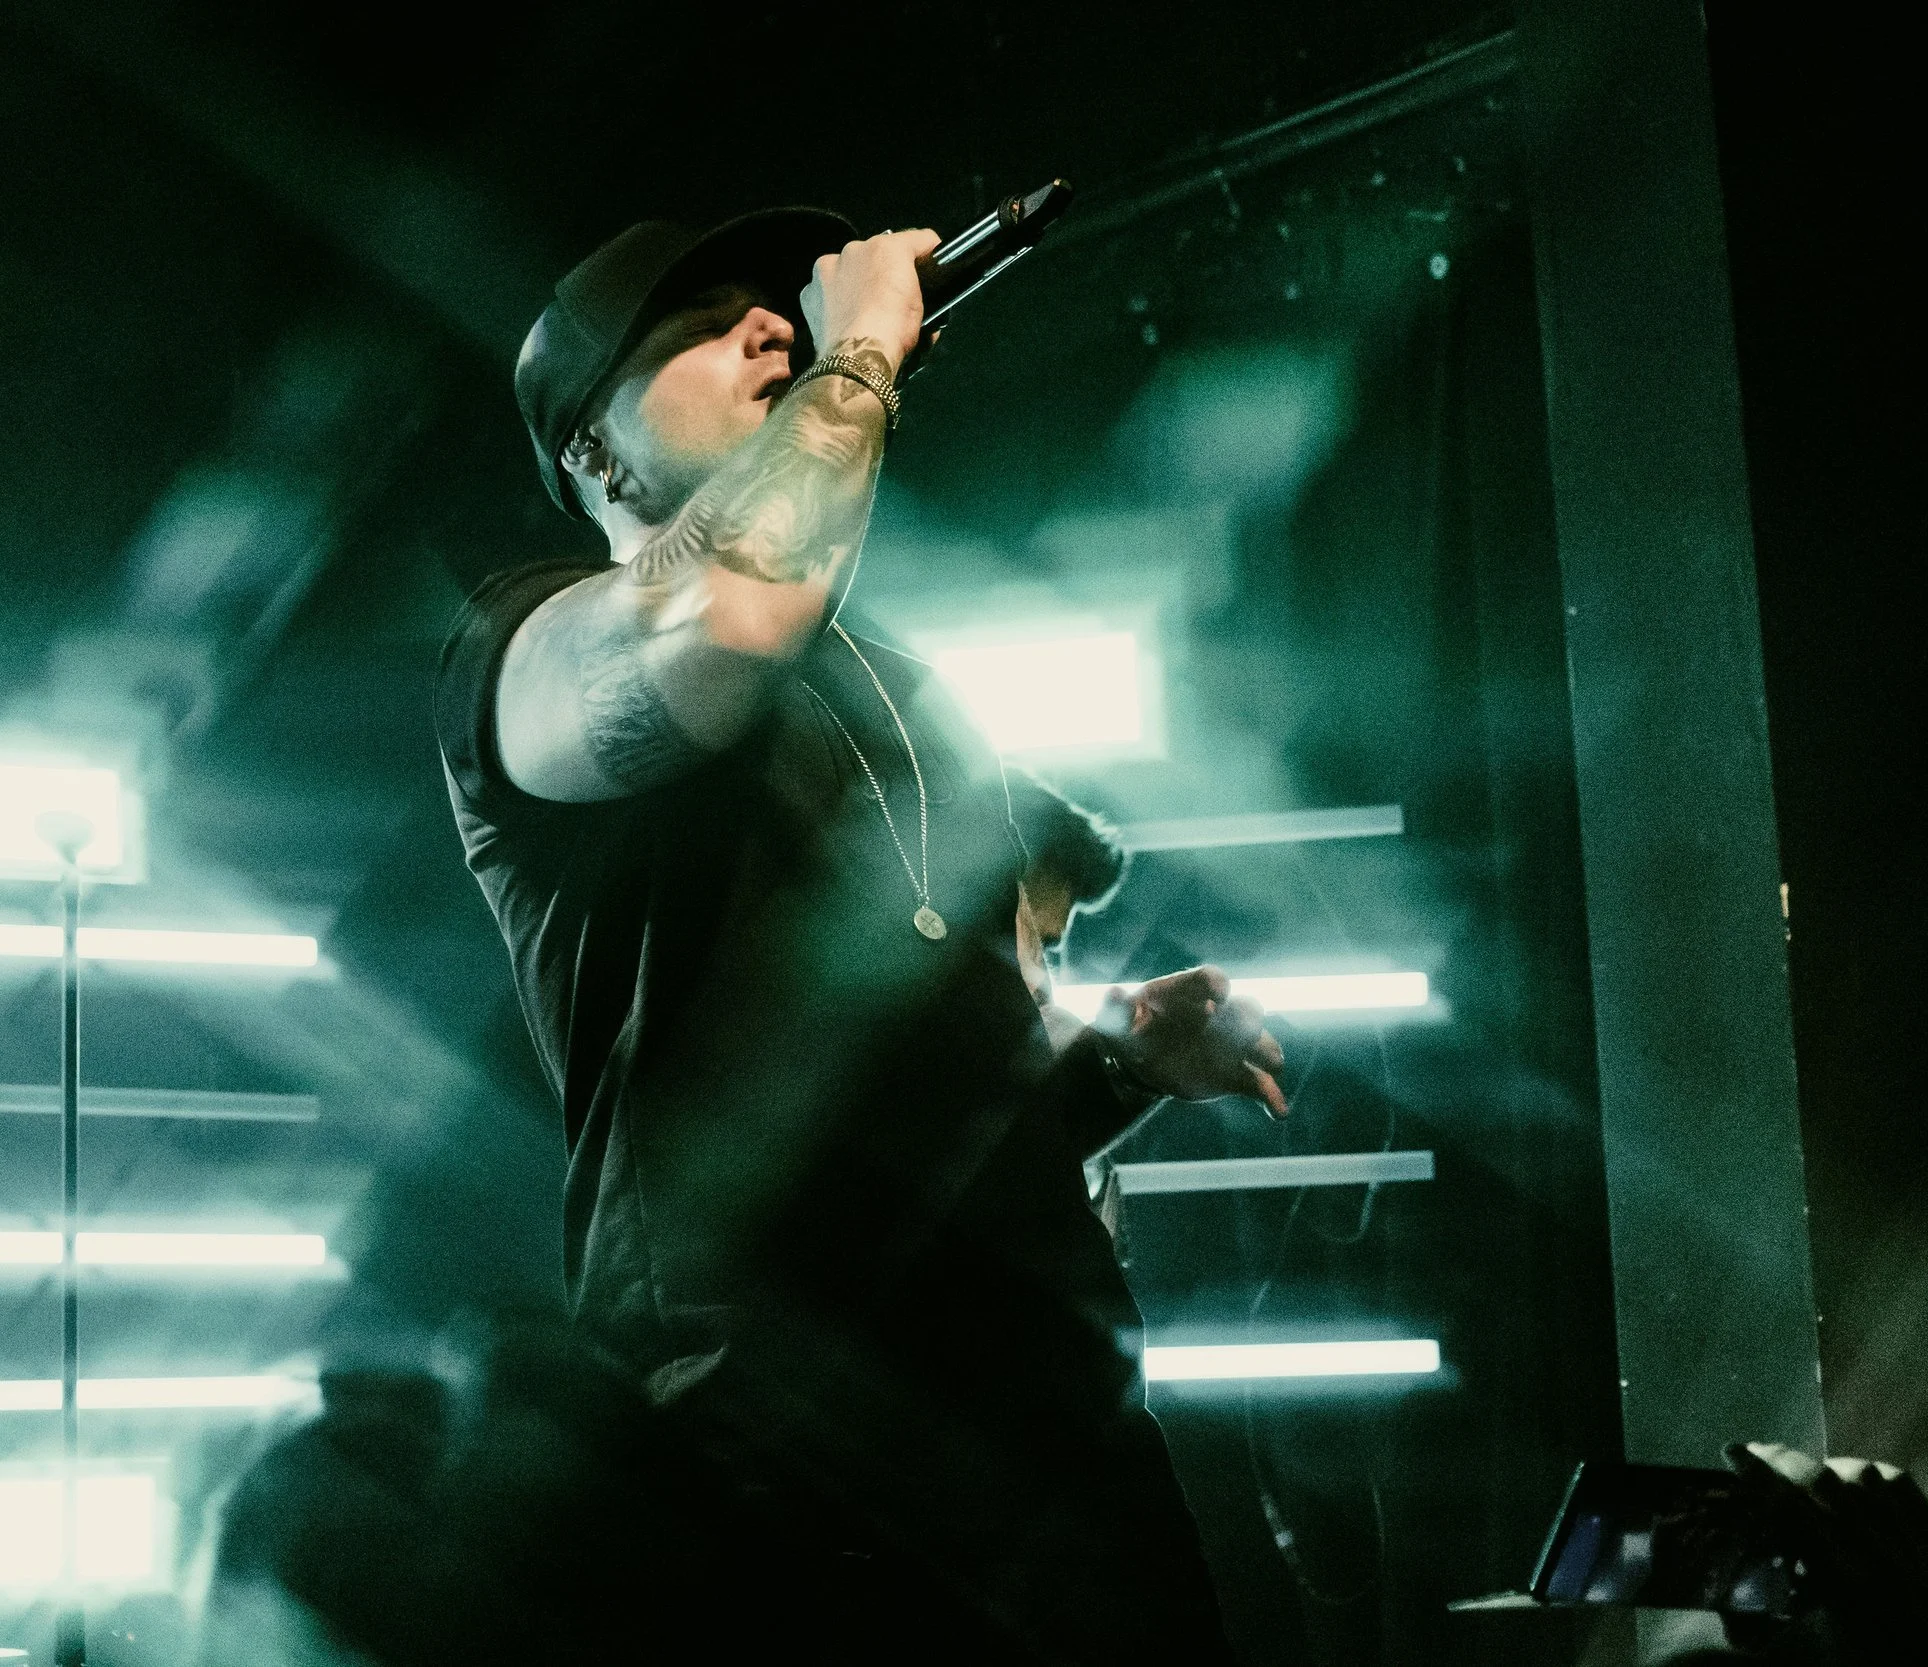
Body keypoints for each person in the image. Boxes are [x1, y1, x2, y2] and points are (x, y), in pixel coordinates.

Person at [432, 208, 1290, 1661]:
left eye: (774, 306)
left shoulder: (906, 690)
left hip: (1052, 1435)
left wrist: (1112, 1061)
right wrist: (864, 353)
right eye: (700, 322)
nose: (771, 322)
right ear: (592, 452)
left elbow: (939, 1069)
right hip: (774, 1442)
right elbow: (726, 620)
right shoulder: (525, 645)